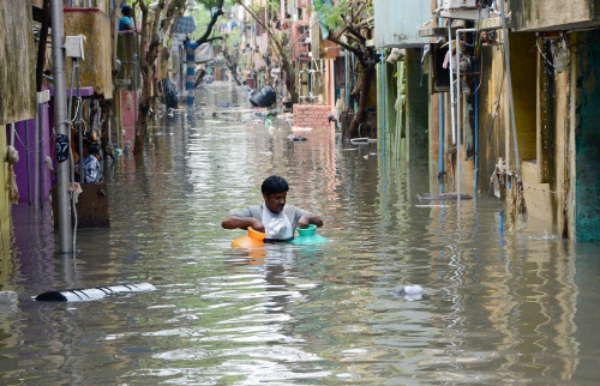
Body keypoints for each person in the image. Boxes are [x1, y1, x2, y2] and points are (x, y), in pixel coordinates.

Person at [222, 176, 323, 242]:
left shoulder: (292, 211)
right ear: (266, 196)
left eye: (284, 197)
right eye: (278, 198)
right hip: (263, 255)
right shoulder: (254, 212)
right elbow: (226, 223)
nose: (283, 202)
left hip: (288, 254)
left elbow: (319, 222)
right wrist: (251, 221)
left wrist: (307, 218)